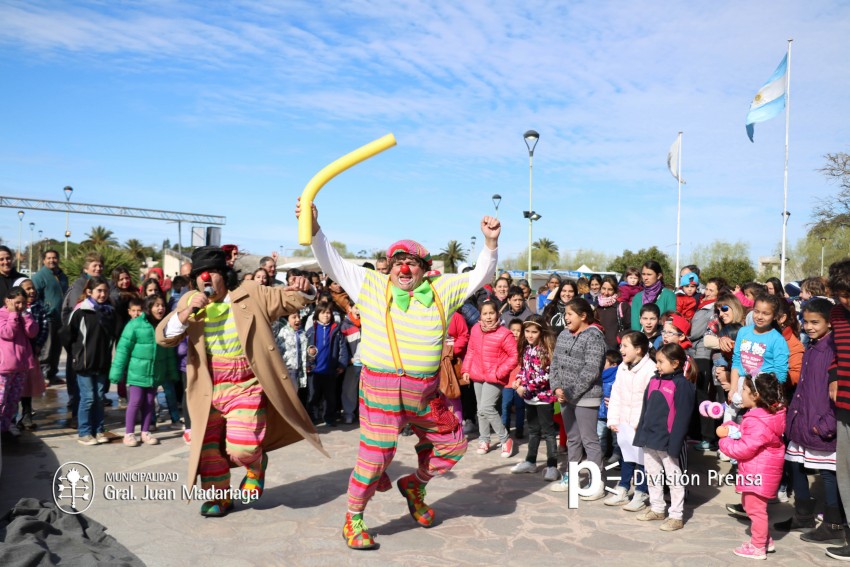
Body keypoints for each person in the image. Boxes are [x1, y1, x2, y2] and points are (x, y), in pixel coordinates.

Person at [298, 197, 500, 550]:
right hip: (381, 390)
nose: (403, 270)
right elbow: (331, 261)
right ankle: (354, 518)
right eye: (398, 263)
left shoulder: (442, 290)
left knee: (453, 444)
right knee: (377, 455)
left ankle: (415, 484)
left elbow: (481, 274)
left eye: (411, 263)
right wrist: (313, 227)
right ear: (389, 267)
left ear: (425, 268)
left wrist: (490, 243)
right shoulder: (371, 284)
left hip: (425, 394)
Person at [156, 246, 325, 517]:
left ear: (224, 274)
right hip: (208, 388)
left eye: (211, 272)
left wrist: (305, 289)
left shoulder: (249, 292)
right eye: (200, 274)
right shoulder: (189, 299)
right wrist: (184, 315)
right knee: (209, 448)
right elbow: (164, 336)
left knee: (242, 447)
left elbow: (289, 299)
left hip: (246, 384)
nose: (205, 278)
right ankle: (219, 498)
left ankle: (256, 464)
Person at [775, 298, 845, 544]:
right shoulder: (813, 347)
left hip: (821, 424)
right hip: (803, 420)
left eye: (815, 322)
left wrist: (826, 422)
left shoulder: (832, 351)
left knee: (827, 473)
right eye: (806, 321)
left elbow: (836, 393)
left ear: (830, 323)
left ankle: (833, 524)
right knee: (795, 465)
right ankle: (803, 514)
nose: (809, 326)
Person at [718, 373, 786, 559]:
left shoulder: (757, 421)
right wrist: (734, 427)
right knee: (753, 507)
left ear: (756, 395)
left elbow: (745, 448)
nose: (742, 392)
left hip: (758, 471)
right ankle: (765, 540)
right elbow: (750, 436)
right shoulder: (765, 416)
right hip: (760, 469)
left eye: (745, 389)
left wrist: (724, 443)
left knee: (755, 510)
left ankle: (757, 547)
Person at [633, 344, 696, 531]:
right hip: (650, 438)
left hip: (668, 441)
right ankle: (657, 508)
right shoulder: (653, 380)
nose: (657, 365)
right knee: (653, 475)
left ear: (675, 363)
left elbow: (683, 416)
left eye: (661, 362)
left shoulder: (682, 385)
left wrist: (675, 443)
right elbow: (645, 409)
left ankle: (676, 516)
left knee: (674, 479)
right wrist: (641, 434)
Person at [549, 298, 606, 498]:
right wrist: (556, 387)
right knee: (572, 439)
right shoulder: (564, 334)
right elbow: (554, 362)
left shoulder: (594, 337)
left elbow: (591, 370)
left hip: (586, 397)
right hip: (564, 396)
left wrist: (571, 392)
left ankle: (596, 482)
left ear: (583, 316)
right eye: (565, 314)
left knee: (589, 440)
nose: (566, 318)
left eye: (570, 314)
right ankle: (571, 477)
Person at [110, 294, 179, 447]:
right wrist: (116, 372)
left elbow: (168, 352)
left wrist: (172, 372)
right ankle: (129, 434)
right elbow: (123, 349)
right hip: (137, 372)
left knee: (149, 402)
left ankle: (145, 432)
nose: (160, 308)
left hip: (155, 372)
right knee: (135, 402)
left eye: (162, 305)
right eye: (156, 305)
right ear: (148, 308)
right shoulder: (134, 325)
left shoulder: (164, 326)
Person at [605, 332, 656, 511]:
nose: (621, 350)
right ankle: (623, 488)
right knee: (626, 455)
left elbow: (649, 399)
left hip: (640, 424)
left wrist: (639, 422)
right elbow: (616, 394)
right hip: (624, 423)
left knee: (642, 459)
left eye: (625, 346)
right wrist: (613, 419)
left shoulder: (651, 369)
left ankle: (642, 492)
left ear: (638, 349)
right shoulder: (622, 368)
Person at [462, 299, 518, 457]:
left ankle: (505, 438)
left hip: (495, 377)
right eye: (485, 313)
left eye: (491, 313)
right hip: (478, 374)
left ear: (497, 314)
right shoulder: (475, 329)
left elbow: (513, 356)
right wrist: (466, 369)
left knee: (487, 408)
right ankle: (484, 439)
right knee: (480, 410)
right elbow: (471, 351)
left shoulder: (504, 333)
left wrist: (499, 373)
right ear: (480, 315)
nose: (488, 317)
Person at [63, 276, 115, 446]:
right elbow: (66, 336)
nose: (102, 294)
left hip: (101, 363)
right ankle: (84, 432)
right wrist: (75, 355)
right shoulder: (80, 311)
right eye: (99, 290)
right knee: (88, 398)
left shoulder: (109, 311)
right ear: (89, 292)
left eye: (105, 291)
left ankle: (98, 430)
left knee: (99, 397)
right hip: (84, 364)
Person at [510, 315, 559, 481]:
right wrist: (518, 380)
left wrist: (527, 386)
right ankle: (530, 461)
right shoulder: (526, 349)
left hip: (543, 398)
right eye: (527, 331)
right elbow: (525, 369)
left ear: (541, 332)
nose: (530, 335)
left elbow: (546, 375)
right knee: (533, 430)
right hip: (529, 398)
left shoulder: (545, 350)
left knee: (548, 432)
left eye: (534, 332)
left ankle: (552, 465)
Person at [729, 294, 790, 411]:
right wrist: (733, 388)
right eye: (756, 312)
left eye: (766, 313)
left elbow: (780, 375)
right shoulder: (743, 332)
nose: (759, 316)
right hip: (741, 389)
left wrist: (761, 395)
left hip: (763, 395)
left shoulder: (777, 340)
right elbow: (736, 361)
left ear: (774, 316)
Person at [826, 260, 850, 560]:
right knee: (845, 470)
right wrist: (833, 376)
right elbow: (835, 352)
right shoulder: (836, 314)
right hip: (844, 402)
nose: (846, 301)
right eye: (842, 295)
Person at [0, 286, 38, 441]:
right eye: (16, 303)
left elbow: (32, 332)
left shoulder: (24, 315)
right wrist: (13, 314)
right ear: (7, 301)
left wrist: (26, 316)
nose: (20, 306)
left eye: (23, 303)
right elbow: (8, 333)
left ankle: (4, 428)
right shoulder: (2, 315)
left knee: (13, 400)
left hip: (21, 367)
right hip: (5, 367)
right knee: (1, 400)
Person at [305, 303, 349, 426]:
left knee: (330, 397)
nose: (326, 315)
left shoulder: (336, 329)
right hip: (314, 370)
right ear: (317, 314)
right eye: (323, 312)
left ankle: (329, 418)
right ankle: (312, 418)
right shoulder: (311, 330)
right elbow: (305, 349)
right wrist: (308, 363)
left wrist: (342, 364)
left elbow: (342, 348)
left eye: (328, 313)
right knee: (313, 396)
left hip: (330, 369)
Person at [31, 249, 68, 386]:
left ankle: (52, 374)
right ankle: (43, 375)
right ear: (44, 260)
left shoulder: (62, 276)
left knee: (57, 349)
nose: (52, 260)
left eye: (54, 257)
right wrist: (46, 309)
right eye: (49, 258)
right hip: (48, 318)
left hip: (61, 318)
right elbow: (34, 297)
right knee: (47, 348)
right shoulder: (39, 277)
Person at [16, 278, 48, 430]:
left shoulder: (39, 307)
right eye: (27, 289)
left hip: (31, 352)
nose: (32, 291)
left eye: (33, 288)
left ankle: (26, 415)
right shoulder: (11, 309)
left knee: (27, 385)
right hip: (14, 354)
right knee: (13, 386)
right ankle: (10, 416)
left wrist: (38, 345)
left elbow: (44, 328)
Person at [629, 261, 676, 332]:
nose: (645, 278)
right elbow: (635, 326)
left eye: (649, 274)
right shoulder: (637, 297)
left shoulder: (669, 295)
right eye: (643, 274)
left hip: (662, 338)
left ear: (659, 276)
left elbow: (671, 322)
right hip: (641, 340)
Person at [276, 312, 309, 408]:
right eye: (294, 317)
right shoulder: (283, 332)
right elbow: (278, 351)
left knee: (295, 396)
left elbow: (305, 352)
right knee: (286, 397)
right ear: (288, 319)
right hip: (287, 370)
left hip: (298, 370)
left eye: (299, 317)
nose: (298, 319)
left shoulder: (303, 333)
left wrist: (310, 355)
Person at [597, 349, 622, 463]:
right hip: (601, 413)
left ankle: (617, 456)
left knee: (616, 438)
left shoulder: (619, 377)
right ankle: (599, 455)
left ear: (613, 365)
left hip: (615, 414)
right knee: (600, 435)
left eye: (604, 362)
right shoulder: (598, 377)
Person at [596, 275, 630, 349]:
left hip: (615, 350)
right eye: (603, 288)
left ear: (615, 290)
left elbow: (630, 327)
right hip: (598, 348)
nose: (606, 292)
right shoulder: (597, 307)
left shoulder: (622, 306)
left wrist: (618, 339)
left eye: (610, 289)